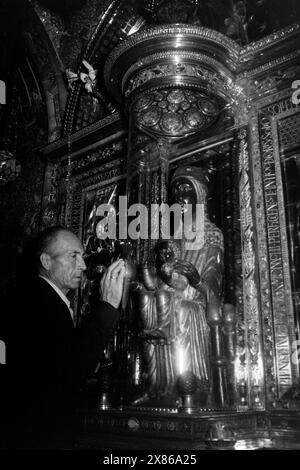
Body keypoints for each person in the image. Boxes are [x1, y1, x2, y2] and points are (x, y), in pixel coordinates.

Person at [4, 226, 125, 449]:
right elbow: (72, 369)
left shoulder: (40, 298)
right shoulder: (38, 302)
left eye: (82, 256)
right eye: (73, 256)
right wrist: (107, 305)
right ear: (46, 261)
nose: (83, 265)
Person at [136, 166, 224, 407]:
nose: (179, 195)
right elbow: (162, 273)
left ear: (200, 194)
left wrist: (196, 279)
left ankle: (190, 386)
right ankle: (157, 386)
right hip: (170, 293)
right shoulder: (173, 237)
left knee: (181, 309)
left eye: (186, 188)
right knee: (146, 299)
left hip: (195, 302)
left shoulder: (212, 234)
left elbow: (213, 280)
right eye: (176, 190)